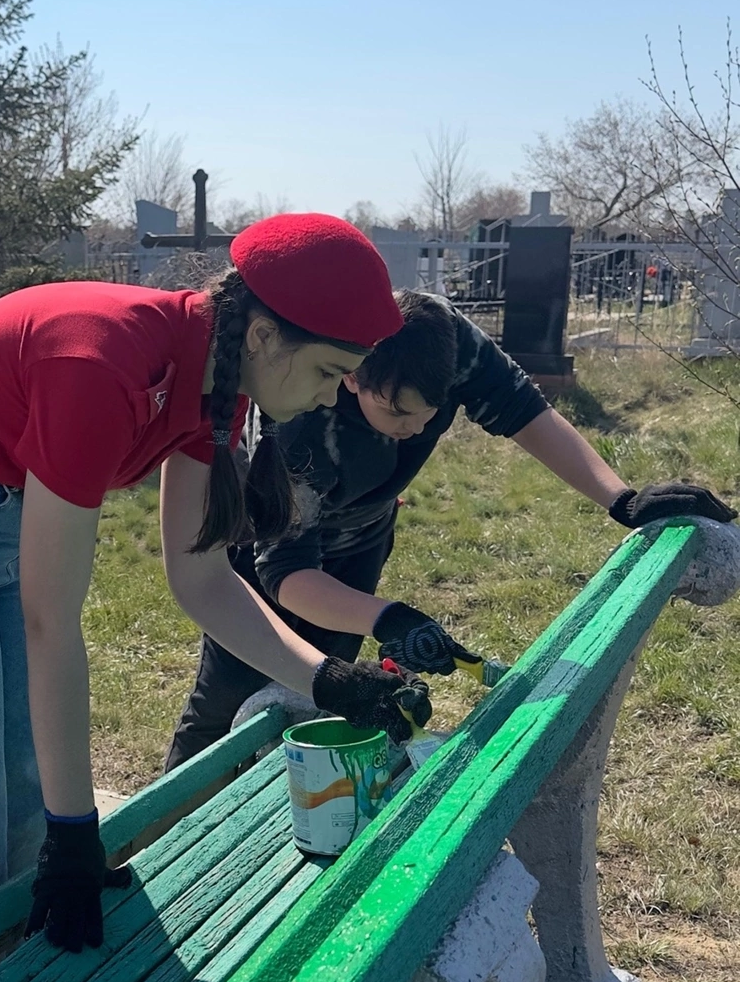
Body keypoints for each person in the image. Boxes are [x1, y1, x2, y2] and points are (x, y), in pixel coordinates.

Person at [0, 214, 434, 962]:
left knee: (18, 804)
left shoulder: (220, 379)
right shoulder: (102, 365)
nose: (335, 398)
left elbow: (202, 579)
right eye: (329, 372)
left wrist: (330, 680)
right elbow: (53, 622)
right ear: (266, 336)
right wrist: (77, 833)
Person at [166, 289, 735, 766]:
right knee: (227, 696)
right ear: (352, 378)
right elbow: (287, 573)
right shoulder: (299, 418)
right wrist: (391, 618)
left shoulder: (445, 337)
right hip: (267, 549)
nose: (415, 430)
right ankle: (163, 831)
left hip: (362, 533)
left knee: (332, 690)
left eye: (430, 413)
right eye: (397, 413)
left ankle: (303, 810)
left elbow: (524, 411)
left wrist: (623, 500)